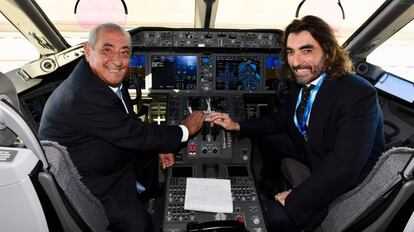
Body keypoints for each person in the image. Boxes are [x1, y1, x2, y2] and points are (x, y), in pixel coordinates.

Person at [210, 15, 385, 231]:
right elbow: (281, 120)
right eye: (290, 52)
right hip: (313, 147)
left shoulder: (358, 94)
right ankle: (270, 181)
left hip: (346, 178)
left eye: (307, 50)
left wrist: (296, 198)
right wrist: (237, 125)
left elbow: (344, 167)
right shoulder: (303, 80)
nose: (295, 61)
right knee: (267, 137)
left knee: (279, 216)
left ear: (329, 53)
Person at [38, 23, 205, 232]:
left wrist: (161, 146)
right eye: (107, 50)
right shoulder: (82, 95)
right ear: (87, 51)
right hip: (94, 184)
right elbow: (134, 135)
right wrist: (185, 129)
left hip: (103, 158)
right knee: (142, 225)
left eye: (124, 52)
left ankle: (151, 196)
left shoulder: (102, 80)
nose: (117, 61)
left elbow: (127, 122)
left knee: (150, 161)